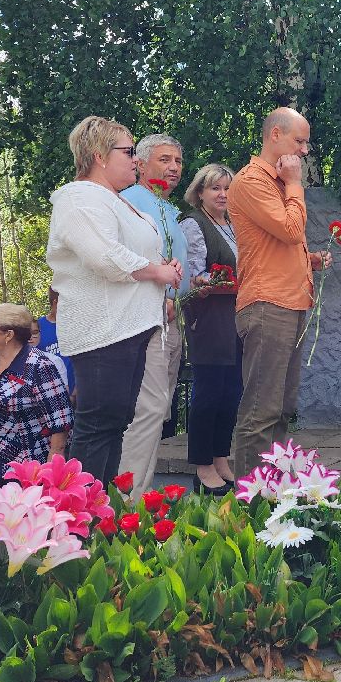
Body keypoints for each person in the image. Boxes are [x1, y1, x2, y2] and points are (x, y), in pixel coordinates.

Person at [46, 116, 182, 487]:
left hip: (130, 326)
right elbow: (103, 256)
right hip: (104, 329)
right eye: (128, 151)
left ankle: (100, 512)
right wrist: (157, 272)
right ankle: (79, 520)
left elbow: (131, 251)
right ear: (99, 155)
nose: (136, 160)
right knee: (98, 423)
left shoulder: (114, 201)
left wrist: (161, 268)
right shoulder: (79, 197)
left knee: (115, 422)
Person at [228, 107, 332, 476]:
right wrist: (294, 183)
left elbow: (278, 244)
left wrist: (310, 261)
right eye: (299, 141)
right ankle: (251, 502)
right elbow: (290, 228)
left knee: (283, 408)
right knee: (261, 410)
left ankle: (274, 491)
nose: (304, 150)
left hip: (289, 303)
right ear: (275, 135)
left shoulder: (274, 181)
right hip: (266, 304)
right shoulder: (253, 181)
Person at [117, 133, 191, 494]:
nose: (173, 167)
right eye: (164, 160)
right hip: (148, 316)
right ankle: (127, 501)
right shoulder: (133, 202)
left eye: (177, 161)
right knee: (145, 409)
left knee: (158, 408)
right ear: (140, 164)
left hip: (168, 315)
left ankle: (140, 495)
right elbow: (128, 260)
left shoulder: (163, 206)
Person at [179, 163, 241, 493]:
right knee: (208, 394)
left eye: (228, 189)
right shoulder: (193, 223)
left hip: (235, 317)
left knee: (230, 393)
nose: (222, 194)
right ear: (200, 192)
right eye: (215, 188)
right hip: (208, 319)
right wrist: (207, 280)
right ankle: (202, 465)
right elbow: (194, 277)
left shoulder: (232, 223)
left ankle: (220, 457)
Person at [0, 304, 73, 489]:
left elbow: (60, 418)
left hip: (32, 463)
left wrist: (52, 466)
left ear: (8, 335)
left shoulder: (39, 365)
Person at [36, 289, 75, 393]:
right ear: (56, 302)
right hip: (51, 391)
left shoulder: (73, 325)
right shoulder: (38, 327)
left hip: (76, 388)